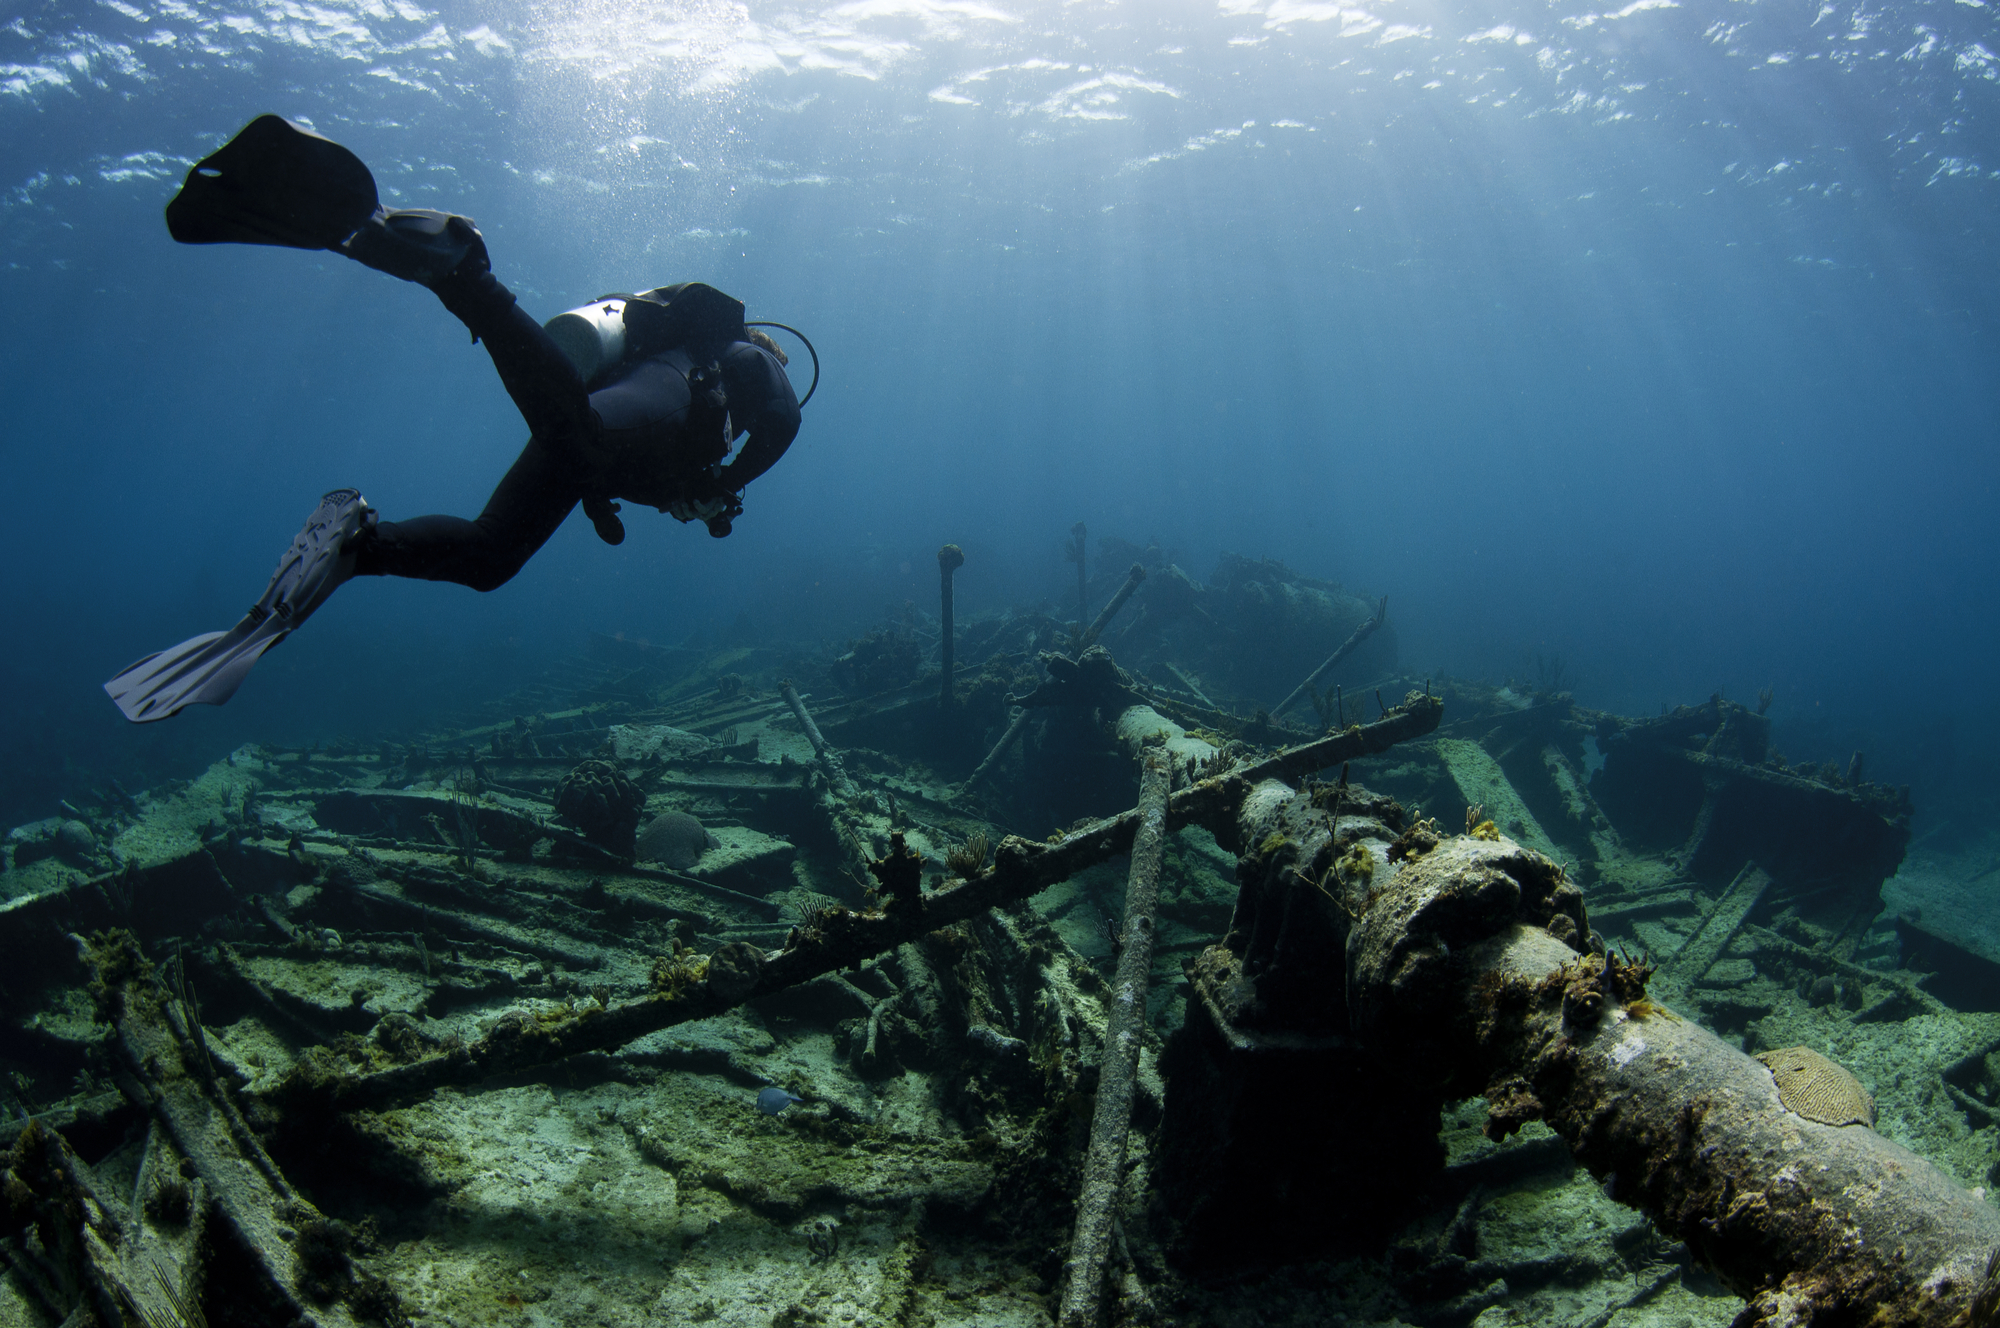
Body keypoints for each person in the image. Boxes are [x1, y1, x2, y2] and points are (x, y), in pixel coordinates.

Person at [105, 116, 808, 723]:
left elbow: (623, 466)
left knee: (490, 557)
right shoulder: (745, 357)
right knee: (580, 432)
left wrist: (679, 492)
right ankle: (463, 275)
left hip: (590, 436)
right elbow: (780, 418)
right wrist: (728, 479)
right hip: (634, 402)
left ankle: (358, 547)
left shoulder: (694, 433)